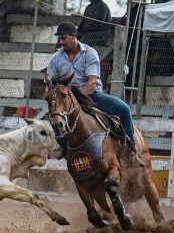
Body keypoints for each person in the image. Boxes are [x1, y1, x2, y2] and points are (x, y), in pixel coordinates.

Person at [47, 21, 141, 165]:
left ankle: (130, 152)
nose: (60, 42)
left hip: (92, 95)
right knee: (55, 123)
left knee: (124, 109)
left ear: (74, 36)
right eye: (59, 38)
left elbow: (91, 82)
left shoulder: (90, 53)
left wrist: (77, 98)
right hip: (65, 100)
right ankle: (67, 155)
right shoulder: (55, 58)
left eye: (63, 38)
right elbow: (50, 82)